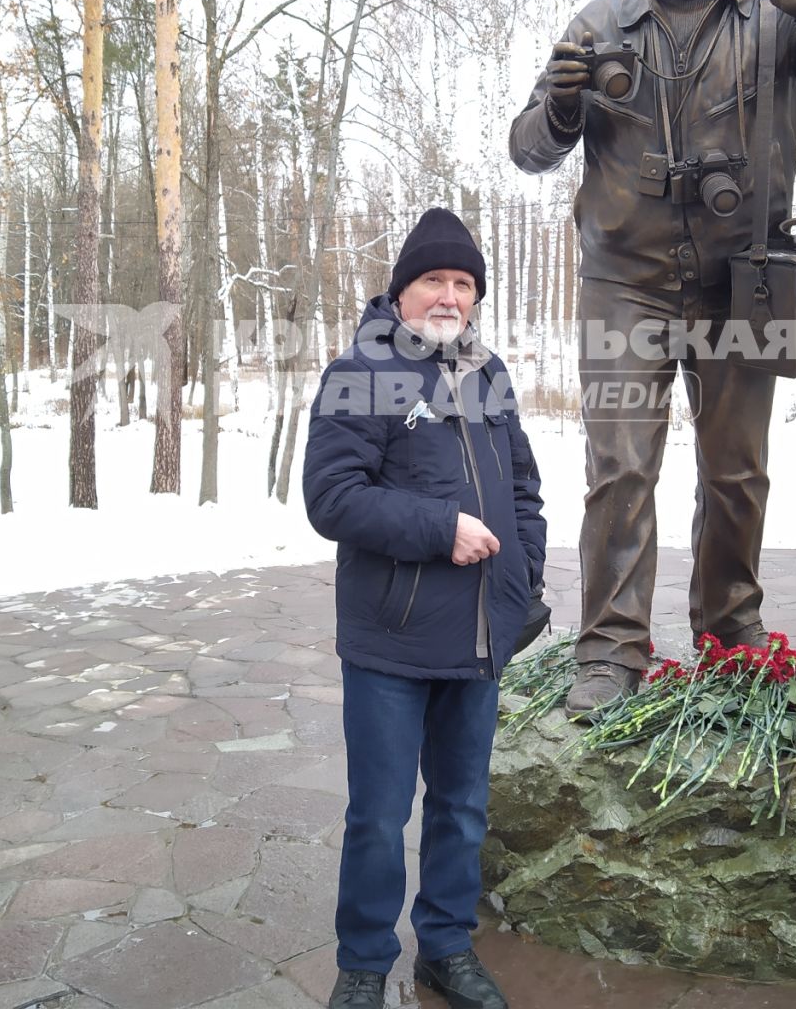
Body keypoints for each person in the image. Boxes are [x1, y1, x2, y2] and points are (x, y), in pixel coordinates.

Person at [510, 0, 796, 717]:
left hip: (745, 279)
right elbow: (526, 150)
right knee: (620, 467)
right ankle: (608, 650)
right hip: (624, 280)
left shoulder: (780, 6)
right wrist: (560, 107)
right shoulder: (600, 22)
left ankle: (729, 632)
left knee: (736, 471)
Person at [303, 207, 546, 1009]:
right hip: (390, 639)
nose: (449, 296)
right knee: (376, 815)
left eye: (463, 283)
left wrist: (521, 588)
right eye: (433, 281)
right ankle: (364, 964)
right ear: (403, 290)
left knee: (462, 808)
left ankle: (445, 947)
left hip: (478, 636)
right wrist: (439, 529)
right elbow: (332, 498)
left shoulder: (489, 373)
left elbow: (522, 492)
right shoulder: (360, 370)